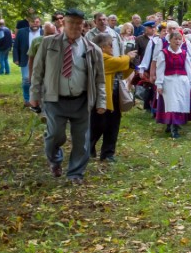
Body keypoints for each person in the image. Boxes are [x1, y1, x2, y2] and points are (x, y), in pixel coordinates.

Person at [28, 9, 106, 182]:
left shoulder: (93, 49)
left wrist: (101, 101)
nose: (75, 26)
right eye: (71, 22)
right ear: (64, 23)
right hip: (55, 99)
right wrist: (34, 94)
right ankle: (55, 160)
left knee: (82, 141)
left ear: (83, 25)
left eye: (79, 23)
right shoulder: (48, 44)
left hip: (82, 101)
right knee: (55, 135)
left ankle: (75, 173)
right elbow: (37, 71)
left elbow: (100, 79)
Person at [90, 30, 136, 161]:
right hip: (101, 97)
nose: (112, 47)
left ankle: (108, 153)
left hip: (113, 95)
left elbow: (123, 74)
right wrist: (128, 57)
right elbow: (119, 62)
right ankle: (89, 148)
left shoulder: (112, 59)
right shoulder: (100, 58)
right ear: (102, 47)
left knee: (113, 124)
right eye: (110, 44)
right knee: (97, 125)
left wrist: (131, 64)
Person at [154, 29, 191, 139]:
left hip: (182, 81)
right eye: (175, 39)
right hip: (169, 81)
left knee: (179, 104)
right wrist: (159, 84)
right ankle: (173, 128)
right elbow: (160, 69)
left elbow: (188, 68)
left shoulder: (184, 53)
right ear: (169, 40)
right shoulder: (164, 53)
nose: (177, 41)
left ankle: (174, 124)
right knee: (172, 104)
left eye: (179, 39)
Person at [14, 16, 44, 104]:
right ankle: (27, 99)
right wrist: (16, 58)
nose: (35, 23)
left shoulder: (44, 32)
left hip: (40, 60)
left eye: (37, 22)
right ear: (29, 23)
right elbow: (16, 46)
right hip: (25, 58)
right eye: (33, 21)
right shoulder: (22, 32)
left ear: (40, 23)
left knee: (40, 79)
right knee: (26, 79)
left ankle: (38, 99)